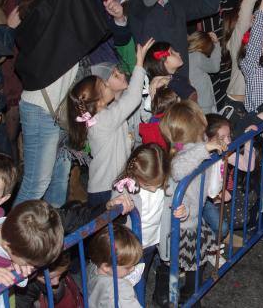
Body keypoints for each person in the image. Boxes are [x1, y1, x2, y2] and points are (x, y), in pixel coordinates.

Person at [12, 0, 131, 207]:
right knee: (36, 182)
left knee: (58, 180)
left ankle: (52, 243)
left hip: (60, 112)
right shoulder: (39, 20)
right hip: (41, 112)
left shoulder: (47, 17)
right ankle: (8, 246)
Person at [66, 40, 153, 209]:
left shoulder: (102, 115)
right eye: (104, 85)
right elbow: (133, 99)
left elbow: (122, 101)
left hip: (108, 186)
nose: (108, 85)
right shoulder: (103, 120)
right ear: (97, 101)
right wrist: (139, 63)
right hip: (106, 190)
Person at [157, 100, 226, 306]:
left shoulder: (198, 146)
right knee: (172, 264)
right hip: (178, 224)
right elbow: (179, 168)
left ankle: (190, 295)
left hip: (194, 220)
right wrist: (205, 147)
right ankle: (166, 295)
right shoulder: (188, 152)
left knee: (197, 262)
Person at [111, 144, 187, 289]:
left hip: (154, 240)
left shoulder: (167, 181)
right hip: (132, 243)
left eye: (157, 185)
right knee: (132, 280)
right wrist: (112, 204)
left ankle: (151, 294)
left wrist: (183, 212)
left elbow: (179, 202)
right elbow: (111, 206)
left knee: (144, 272)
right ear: (134, 173)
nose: (153, 189)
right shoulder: (125, 186)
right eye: (148, 185)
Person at [86, 225, 144, 308]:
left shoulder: (93, 266)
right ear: (106, 266)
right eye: (127, 267)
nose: (133, 269)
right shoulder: (120, 290)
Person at [187, 31, 222, 114]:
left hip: (193, 101)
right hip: (203, 103)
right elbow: (215, 67)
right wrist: (216, 44)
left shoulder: (185, 54)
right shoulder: (197, 56)